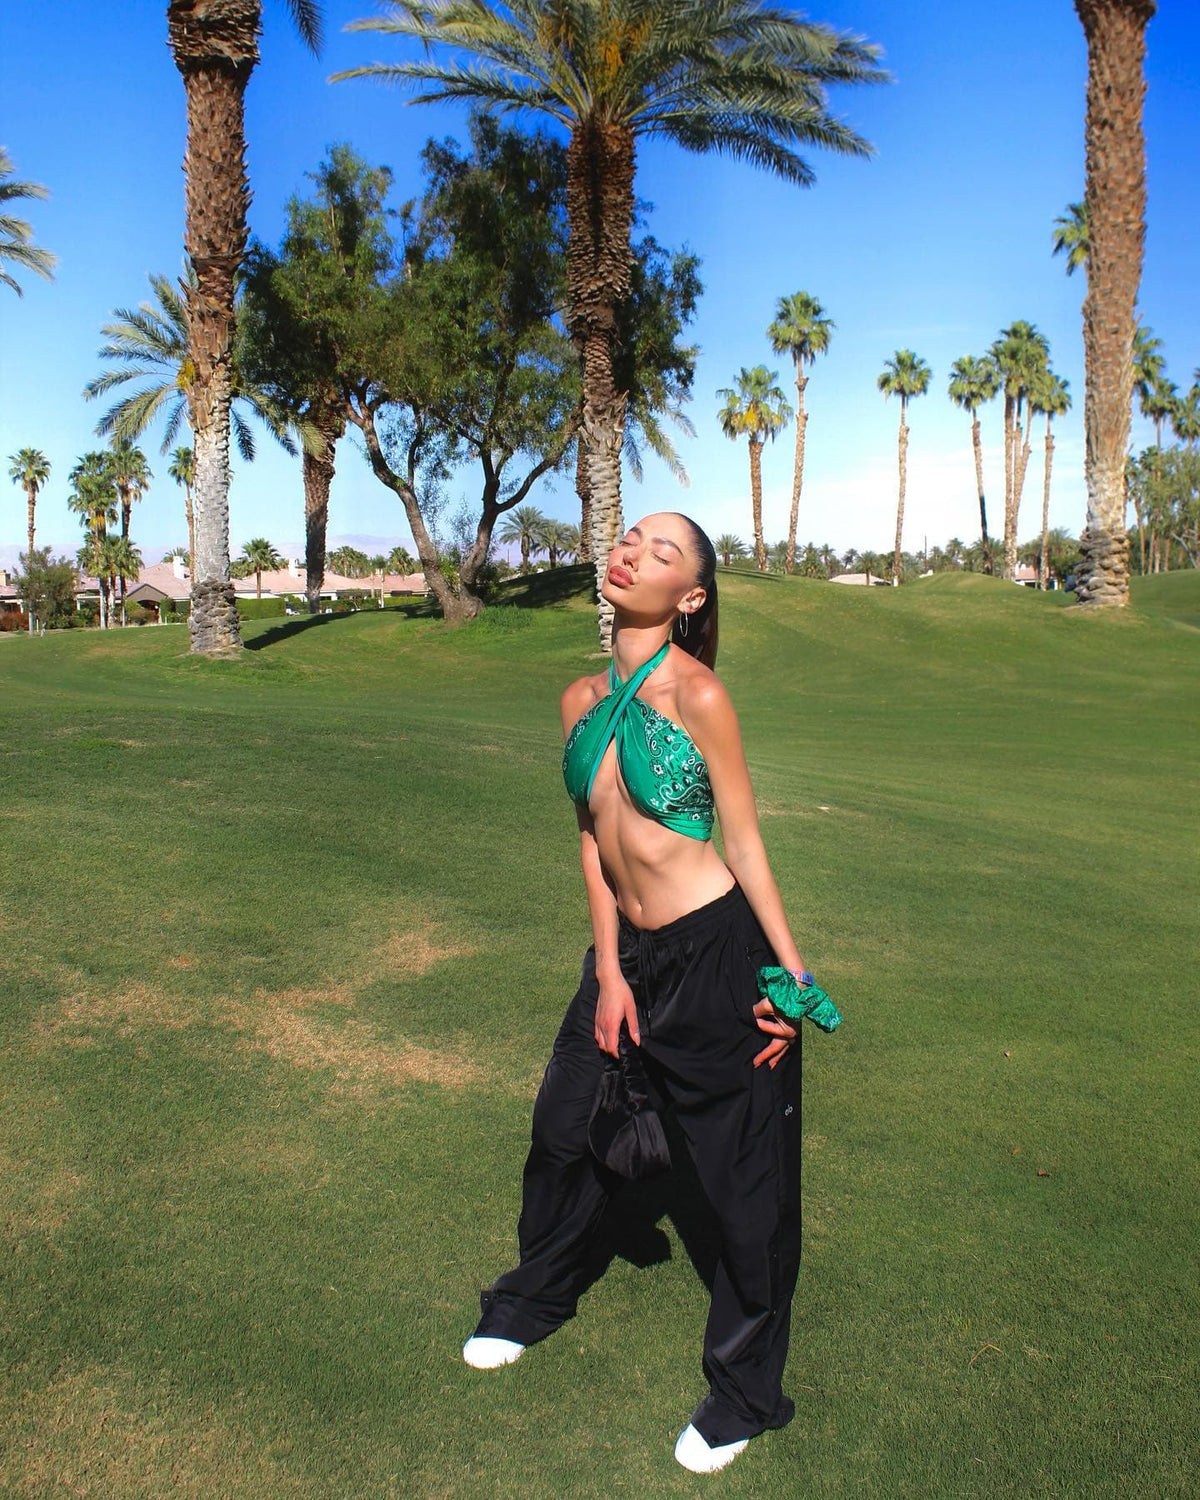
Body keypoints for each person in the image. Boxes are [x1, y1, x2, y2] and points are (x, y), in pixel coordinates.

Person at [463, 512, 814, 1475]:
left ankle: (745, 1394)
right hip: (625, 956)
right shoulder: (579, 697)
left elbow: (743, 845)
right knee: (565, 1125)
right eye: (629, 539)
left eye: (663, 553)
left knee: (744, 1185)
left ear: (691, 597)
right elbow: (592, 840)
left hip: (716, 956)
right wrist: (610, 972)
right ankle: (534, 1297)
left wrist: (791, 978)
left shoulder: (700, 695)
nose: (631, 554)